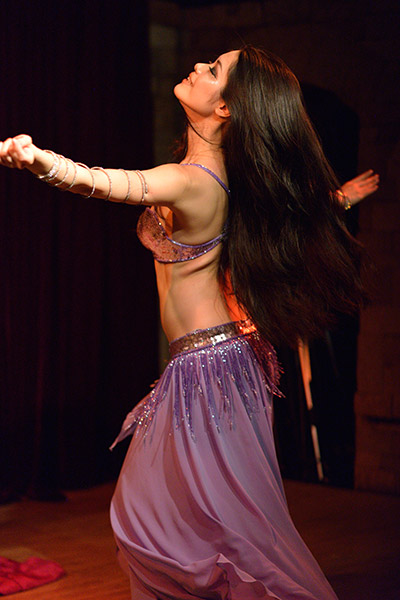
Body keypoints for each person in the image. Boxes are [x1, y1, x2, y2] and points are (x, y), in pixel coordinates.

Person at [0, 46, 378, 600]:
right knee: (181, 522)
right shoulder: (228, 175)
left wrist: (39, 161)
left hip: (210, 367)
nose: (199, 68)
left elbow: (102, 182)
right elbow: (291, 213)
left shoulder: (192, 180)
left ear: (225, 107)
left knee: (188, 524)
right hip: (219, 361)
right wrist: (338, 199)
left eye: (214, 70)